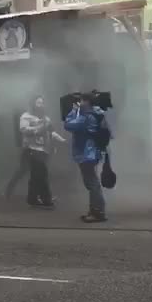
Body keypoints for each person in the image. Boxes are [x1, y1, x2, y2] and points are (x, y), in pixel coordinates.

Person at [64, 93, 110, 223]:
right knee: (92, 182)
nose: (80, 103)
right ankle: (94, 211)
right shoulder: (98, 113)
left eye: (82, 101)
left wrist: (74, 110)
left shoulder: (87, 116)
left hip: (86, 153)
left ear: (87, 102)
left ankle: (98, 212)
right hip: (92, 152)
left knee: (92, 183)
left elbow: (68, 125)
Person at [19, 95, 64, 208]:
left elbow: (52, 131)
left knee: (36, 175)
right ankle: (46, 199)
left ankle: (32, 198)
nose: (40, 105)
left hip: (43, 150)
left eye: (42, 103)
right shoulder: (26, 116)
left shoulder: (46, 118)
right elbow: (24, 130)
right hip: (31, 149)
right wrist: (38, 129)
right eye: (38, 103)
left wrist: (62, 140)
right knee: (42, 173)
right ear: (33, 104)